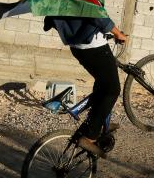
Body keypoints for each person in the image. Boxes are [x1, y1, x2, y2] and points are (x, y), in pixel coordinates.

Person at [44, 16, 127, 158]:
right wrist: (117, 33)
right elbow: (96, 13)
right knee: (112, 89)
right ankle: (90, 136)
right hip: (94, 46)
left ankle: (98, 121)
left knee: (102, 82)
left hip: (77, 46)